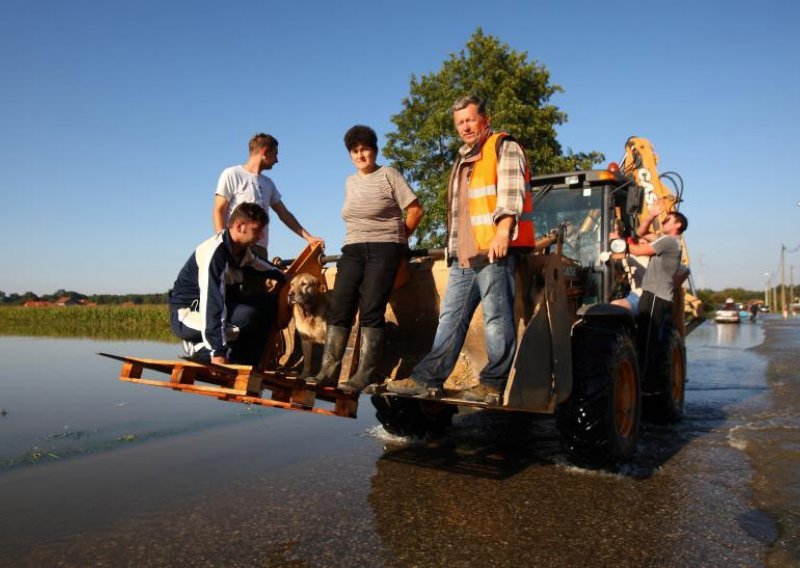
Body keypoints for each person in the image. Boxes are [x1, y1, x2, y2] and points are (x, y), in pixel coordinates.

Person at [386, 95, 534, 403]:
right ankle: (428, 380)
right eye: (460, 123)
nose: (465, 127)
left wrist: (503, 232)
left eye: (470, 119)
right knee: (449, 319)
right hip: (463, 254)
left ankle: (493, 384)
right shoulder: (463, 159)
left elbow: (510, 194)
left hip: (492, 250)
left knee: (496, 318)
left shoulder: (503, 147)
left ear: (485, 119)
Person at [305, 125, 423, 393]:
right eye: (355, 151)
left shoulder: (389, 174)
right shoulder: (350, 181)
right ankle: (327, 372)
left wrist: (398, 239)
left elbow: (415, 210)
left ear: (374, 150)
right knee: (341, 305)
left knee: (371, 307)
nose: (360, 155)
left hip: (384, 248)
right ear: (350, 155)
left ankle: (366, 373)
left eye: (365, 149)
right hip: (353, 249)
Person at [169, 203, 285, 366]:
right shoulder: (214, 252)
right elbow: (213, 303)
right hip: (188, 315)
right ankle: (200, 348)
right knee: (246, 316)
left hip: (218, 308)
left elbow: (262, 266)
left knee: (269, 303)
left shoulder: (242, 251)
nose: (260, 236)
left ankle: (251, 362)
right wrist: (218, 351)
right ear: (239, 226)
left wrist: (286, 277)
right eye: (256, 230)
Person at [213, 133, 323, 257]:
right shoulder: (232, 174)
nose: (277, 160)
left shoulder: (268, 183)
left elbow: (284, 214)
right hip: (236, 247)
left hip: (260, 249)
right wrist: (223, 244)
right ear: (265, 152)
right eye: (275, 154)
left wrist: (308, 238)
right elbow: (219, 210)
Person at [626, 202, 688, 376]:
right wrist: (651, 215)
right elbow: (641, 233)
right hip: (656, 295)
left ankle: (646, 384)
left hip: (655, 296)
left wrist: (617, 241)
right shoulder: (668, 241)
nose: (664, 221)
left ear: (678, 225)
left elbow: (637, 251)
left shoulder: (669, 241)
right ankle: (650, 382)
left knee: (646, 342)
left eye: (668, 219)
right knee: (649, 340)